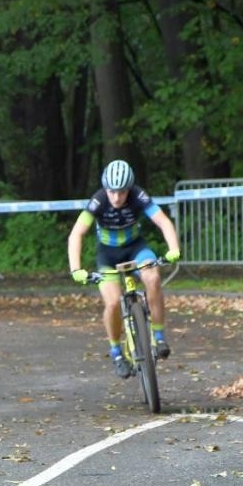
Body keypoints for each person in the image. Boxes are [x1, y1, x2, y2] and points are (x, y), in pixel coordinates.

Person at [67, 159, 181, 378]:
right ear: (105, 189)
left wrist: (173, 249)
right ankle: (117, 352)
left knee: (153, 279)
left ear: (130, 188)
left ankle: (158, 337)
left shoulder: (139, 196)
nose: (117, 197)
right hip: (107, 255)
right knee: (112, 302)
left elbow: (164, 222)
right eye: (112, 192)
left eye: (122, 192)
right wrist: (76, 269)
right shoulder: (98, 201)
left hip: (136, 249)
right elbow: (76, 234)